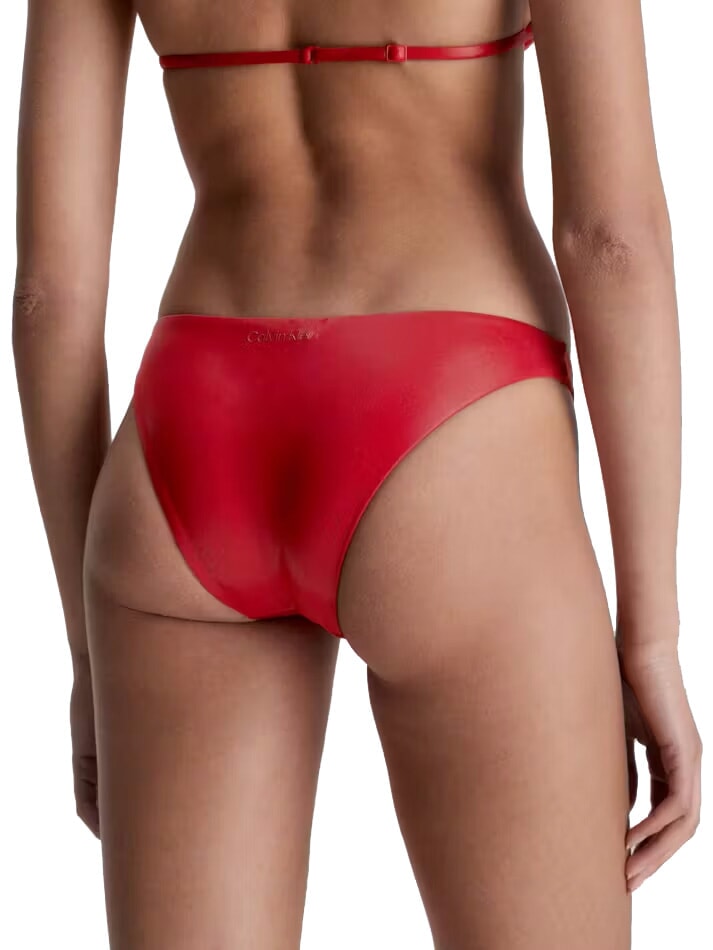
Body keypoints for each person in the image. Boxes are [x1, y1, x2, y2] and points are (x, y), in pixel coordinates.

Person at [12, 0, 702, 947]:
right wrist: (650, 638)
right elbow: (610, 240)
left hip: (190, 446)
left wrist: (88, 653)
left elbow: (47, 300)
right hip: (455, 437)